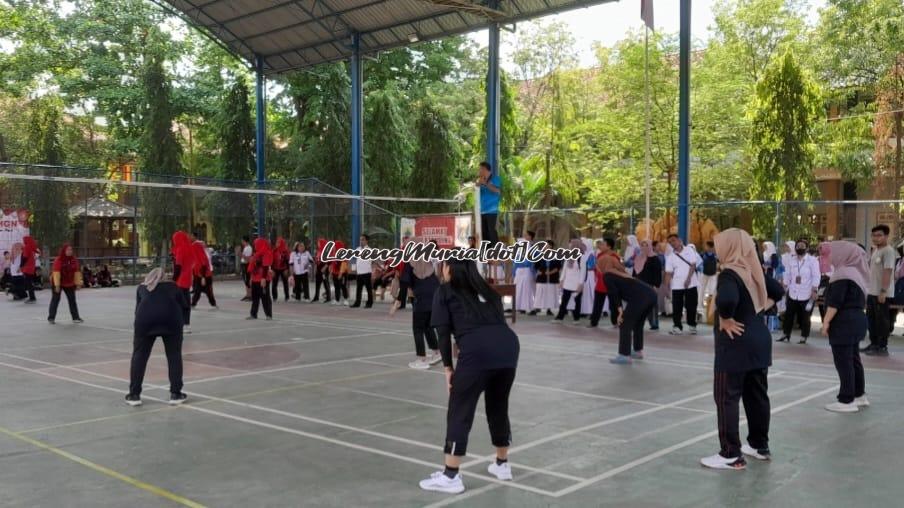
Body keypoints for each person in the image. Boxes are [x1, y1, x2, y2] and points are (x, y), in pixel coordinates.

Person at [419, 259, 519, 495]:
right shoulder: (489, 292)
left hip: (477, 352)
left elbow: (442, 334)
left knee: (460, 409)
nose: (441, 269)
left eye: (443, 265)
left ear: (450, 270)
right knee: (498, 406)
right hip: (508, 348)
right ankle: (502, 465)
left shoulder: (444, 291)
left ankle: (451, 476)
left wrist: (447, 370)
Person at [700, 228, 784, 470]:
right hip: (759, 340)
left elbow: (726, 300)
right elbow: (778, 291)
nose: (717, 249)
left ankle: (731, 454)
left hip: (736, 343)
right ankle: (759, 445)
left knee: (727, 396)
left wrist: (725, 318)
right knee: (757, 395)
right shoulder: (753, 270)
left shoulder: (729, 274)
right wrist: (757, 309)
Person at [125, 268, 189, 407]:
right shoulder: (173, 286)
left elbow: (137, 309)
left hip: (145, 321)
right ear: (164, 277)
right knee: (174, 356)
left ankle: (134, 395)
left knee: (139, 356)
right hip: (171, 321)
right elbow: (184, 305)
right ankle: (176, 393)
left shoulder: (142, 288)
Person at [821, 241, 870, 413]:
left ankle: (846, 400)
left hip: (844, 321)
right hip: (857, 319)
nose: (829, 256)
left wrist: (826, 321)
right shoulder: (857, 273)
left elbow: (835, 302)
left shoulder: (842, 274)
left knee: (843, 361)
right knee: (854, 358)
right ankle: (859, 395)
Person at [601, 256, 657, 364]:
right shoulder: (622, 274)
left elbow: (614, 294)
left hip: (641, 297)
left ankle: (624, 355)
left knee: (625, 323)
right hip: (651, 295)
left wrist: (620, 312)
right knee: (638, 324)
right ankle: (637, 351)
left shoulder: (607, 275)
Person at [394, 246, 442, 369]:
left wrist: (398, 301)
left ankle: (421, 359)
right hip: (435, 297)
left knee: (418, 328)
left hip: (422, 299)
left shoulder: (411, 262)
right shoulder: (427, 261)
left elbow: (404, 282)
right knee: (427, 326)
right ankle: (437, 352)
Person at [778, 240, 819, 344]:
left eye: (802, 246)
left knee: (805, 316)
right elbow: (787, 274)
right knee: (789, 314)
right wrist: (785, 285)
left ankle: (804, 336)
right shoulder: (791, 260)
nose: (800, 248)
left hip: (807, 292)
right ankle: (786, 334)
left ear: (807, 248)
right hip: (793, 291)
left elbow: (816, 275)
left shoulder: (812, 260)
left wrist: (814, 290)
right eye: (798, 246)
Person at [863, 225, 895, 356]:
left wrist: (883, 291)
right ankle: (874, 343)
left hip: (882, 293)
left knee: (882, 321)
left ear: (886, 236)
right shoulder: (875, 250)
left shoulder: (888, 251)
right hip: (872, 291)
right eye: (874, 235)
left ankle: (882, 347)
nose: (876, 238)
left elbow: (888, 271)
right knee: (871, 320)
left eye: (879, 235)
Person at [664, 234, 702, 335]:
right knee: (677, 306)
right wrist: (666, 287)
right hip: (676, 285)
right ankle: (677, 326)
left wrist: (688, 279)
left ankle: (692, 325)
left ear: (679, 240)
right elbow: (668, 273)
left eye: (673, 240)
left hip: (691, 283)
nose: (672, 243)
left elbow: (693, 265)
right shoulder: (670, 256)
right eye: (670, 242)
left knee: (691, 305)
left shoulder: (689, 250)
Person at [589, 238, 622, 328]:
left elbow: (618, 269)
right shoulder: (599, 255)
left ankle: (616, 322)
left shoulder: (614, 256)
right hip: (600, 283)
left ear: (609, 246)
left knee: (614, 304)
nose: (601, 246)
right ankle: (593, 322)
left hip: (611, 284)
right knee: (597, 304)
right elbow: (594, 267)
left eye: (603, 244)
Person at [47, 244, 83, 324]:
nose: (70, 251)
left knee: (72, 300)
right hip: (57, 281)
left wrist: (78, 283)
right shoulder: (58, 260)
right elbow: (56, 273)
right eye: (68, 250)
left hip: (69, 282)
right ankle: (51, 318)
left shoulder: (74, 260)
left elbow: (76, 272)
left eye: (71, 250)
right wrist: (57, 285)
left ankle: (75, 317)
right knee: (55, 299)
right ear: (64, 251)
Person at [554, 239, 587, 324]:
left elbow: (583, 272)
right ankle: (559, 317)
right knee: (564, 300)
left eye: (571, 244)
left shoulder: (582, 257)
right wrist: (561, 280)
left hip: (576, 283)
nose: (570, 245)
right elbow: (565, 269)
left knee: (577, 301)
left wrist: (580, 284)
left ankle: (576, 318)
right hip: (567, 282)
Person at [633, 239, 663, 330]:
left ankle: (654, 323)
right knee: (638, 304)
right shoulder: (638, 257)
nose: (644, 247)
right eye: (642, 245)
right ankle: (637, 322)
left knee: (651, 305)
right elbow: (634, 273)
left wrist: (656, 286)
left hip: (650, 285)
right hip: (639, 284)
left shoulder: (655, 258)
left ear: (650, 246)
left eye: (646, 245)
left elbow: (658, 273)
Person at [171, 231, 196, 334]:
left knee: (177, 303)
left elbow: (178, 266)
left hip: (180, 280)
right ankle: (186, 324)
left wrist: (173, 279)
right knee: (186, 303)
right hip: (188, 278)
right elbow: (193, 263)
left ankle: (178, 324)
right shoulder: (190, 248)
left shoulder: (180, 249)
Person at [529, 240, 560, 316]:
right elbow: (536, 265)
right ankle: (537, 308)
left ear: (551, 246)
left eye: (546, 245)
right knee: (540, 293)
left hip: (552, 277)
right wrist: (538, 271)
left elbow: (558, 266)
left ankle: (549, 309)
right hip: (542, 277)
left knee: (550, 293)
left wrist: (551, 272)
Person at [247, 238, 273, 320]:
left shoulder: (267, 253)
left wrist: (263, 278)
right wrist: (251, 278)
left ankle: (268, 315)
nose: (255, 246)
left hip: (263, 279)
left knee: (265, 298)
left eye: (256, 244)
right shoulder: (256, 254)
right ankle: (253, 314)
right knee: (255, 298)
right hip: (255, 278)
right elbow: (252, 266)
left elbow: (266, 266)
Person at [476, 161, 501, 247]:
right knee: (484, 232)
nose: (479, 171)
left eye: (480, 169)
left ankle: (496, 251)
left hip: (492, 210)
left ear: (484, 169)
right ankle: (487, 252)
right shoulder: (480, 180)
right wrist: (477, 185)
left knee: (491, 231)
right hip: (482, 210)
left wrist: (486, 183)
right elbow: (476, 191)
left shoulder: (495, 178)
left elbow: (497, 191)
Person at [190, 240, 217, 309]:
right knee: (197, 291)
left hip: (205, 276)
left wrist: (203, 277)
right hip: (200, 275)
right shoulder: (198, 254)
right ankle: (193, 304)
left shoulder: (201, 255)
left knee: (208, 291)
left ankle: (213, 304)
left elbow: (204, 266)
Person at [351, 234, 374, 308]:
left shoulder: (370, 250)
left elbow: (372, 262)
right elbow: (357, 260)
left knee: (368, 289)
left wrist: (373, 272)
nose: (361, 241)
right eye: (360, 240)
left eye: (363, 239)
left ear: (367, 241)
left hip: (367, 272)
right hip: (359, 272)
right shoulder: (358, 249)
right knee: (359, 289)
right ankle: (357, 302)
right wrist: (355, 270)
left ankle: (369, 303)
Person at [512, 239, 535, 314]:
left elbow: (530, 264)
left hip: (526, 272)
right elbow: (514, 265)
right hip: (518, 272)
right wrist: (513, 274)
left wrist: (534, 274)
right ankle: (518, 307)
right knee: (517, 289)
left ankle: (526, 307)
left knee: (526, 289)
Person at [271, 237, 291, 303]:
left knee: (285, 283)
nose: (277, 244)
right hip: (275, 269)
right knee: (274, 283)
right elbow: (271, 261)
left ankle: (287, 297)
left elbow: (287, 261)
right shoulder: (274, 250)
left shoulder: (285, 251)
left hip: (283, 269)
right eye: (277, 243)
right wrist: (272, 270)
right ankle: (274, 297)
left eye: (279, 243)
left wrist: (287, 269)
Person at [20, 235, 39, 303]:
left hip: (27, 267)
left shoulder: (27, 247)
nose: (23, 241)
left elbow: (25, 257)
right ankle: (32, 297)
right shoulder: (31, 247)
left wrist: (21, 265)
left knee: (28, 283)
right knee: (29, 283)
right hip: (31, 267)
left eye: (24, 240)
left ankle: (32, 298)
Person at [312, 239, 331, 304]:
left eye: (319, 243)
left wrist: (325, 267)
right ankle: (316, 297)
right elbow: (317, 261)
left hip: (324, 270)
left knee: (326, 283)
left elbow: (329, 261)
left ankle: (328, 297)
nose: (318, 244)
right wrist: (315, 268)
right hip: (318, 269)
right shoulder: (318, 251)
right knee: (317, 284)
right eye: (318, 243)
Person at [330, 241, 350, 306]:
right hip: (335, 273)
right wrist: (331, 272)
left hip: (342, 273)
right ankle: (337, 300)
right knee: (336, 287)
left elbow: (344, 264)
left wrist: (341, 274)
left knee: (343, 286)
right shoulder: (334, 254)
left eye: (334, 246)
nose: (333, 248)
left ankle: (346, 299)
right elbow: (333, 264)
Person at [240, 236, 253, 302]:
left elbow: (247, 259)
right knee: (245, 280)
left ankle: (250, 295)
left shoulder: (248, 248)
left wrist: (240, 254)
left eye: (242, 240)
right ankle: (247, 294)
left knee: (247, 280)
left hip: (246, 265)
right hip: (244, 264)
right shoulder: (245, 248)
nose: (241, 242)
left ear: (245, 241)